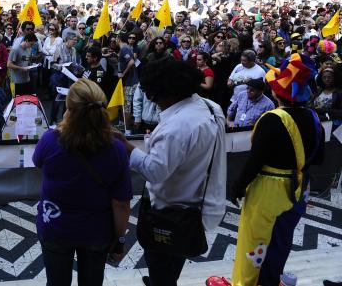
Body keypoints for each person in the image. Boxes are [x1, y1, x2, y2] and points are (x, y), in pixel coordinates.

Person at [123, 58, 226, 286]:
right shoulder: (211, 108)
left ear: (166, 92)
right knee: (173, 259)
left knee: (161, 261)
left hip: (167, 208)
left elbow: (154, 172)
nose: (154, 101)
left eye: (155, 95)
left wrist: (126, 146)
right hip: (196, 204)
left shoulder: (176, 127)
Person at [230, 54, 324, 286]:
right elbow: (319, 158)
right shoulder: (314, 118)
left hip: (269, 188)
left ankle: (248, 283)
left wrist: (238, 187)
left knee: (255, 242)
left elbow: (255, 160)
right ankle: (271, 280)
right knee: (281, 240)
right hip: (300, 188)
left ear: (278, 92)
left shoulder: (272, 118)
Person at [33, 78, 131, 286]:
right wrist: (120, 240)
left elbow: (38, 162)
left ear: (69, 109)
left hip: (55, 227)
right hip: (96, 232)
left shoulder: (50, 140)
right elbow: (121, 204)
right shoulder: (115, 148)